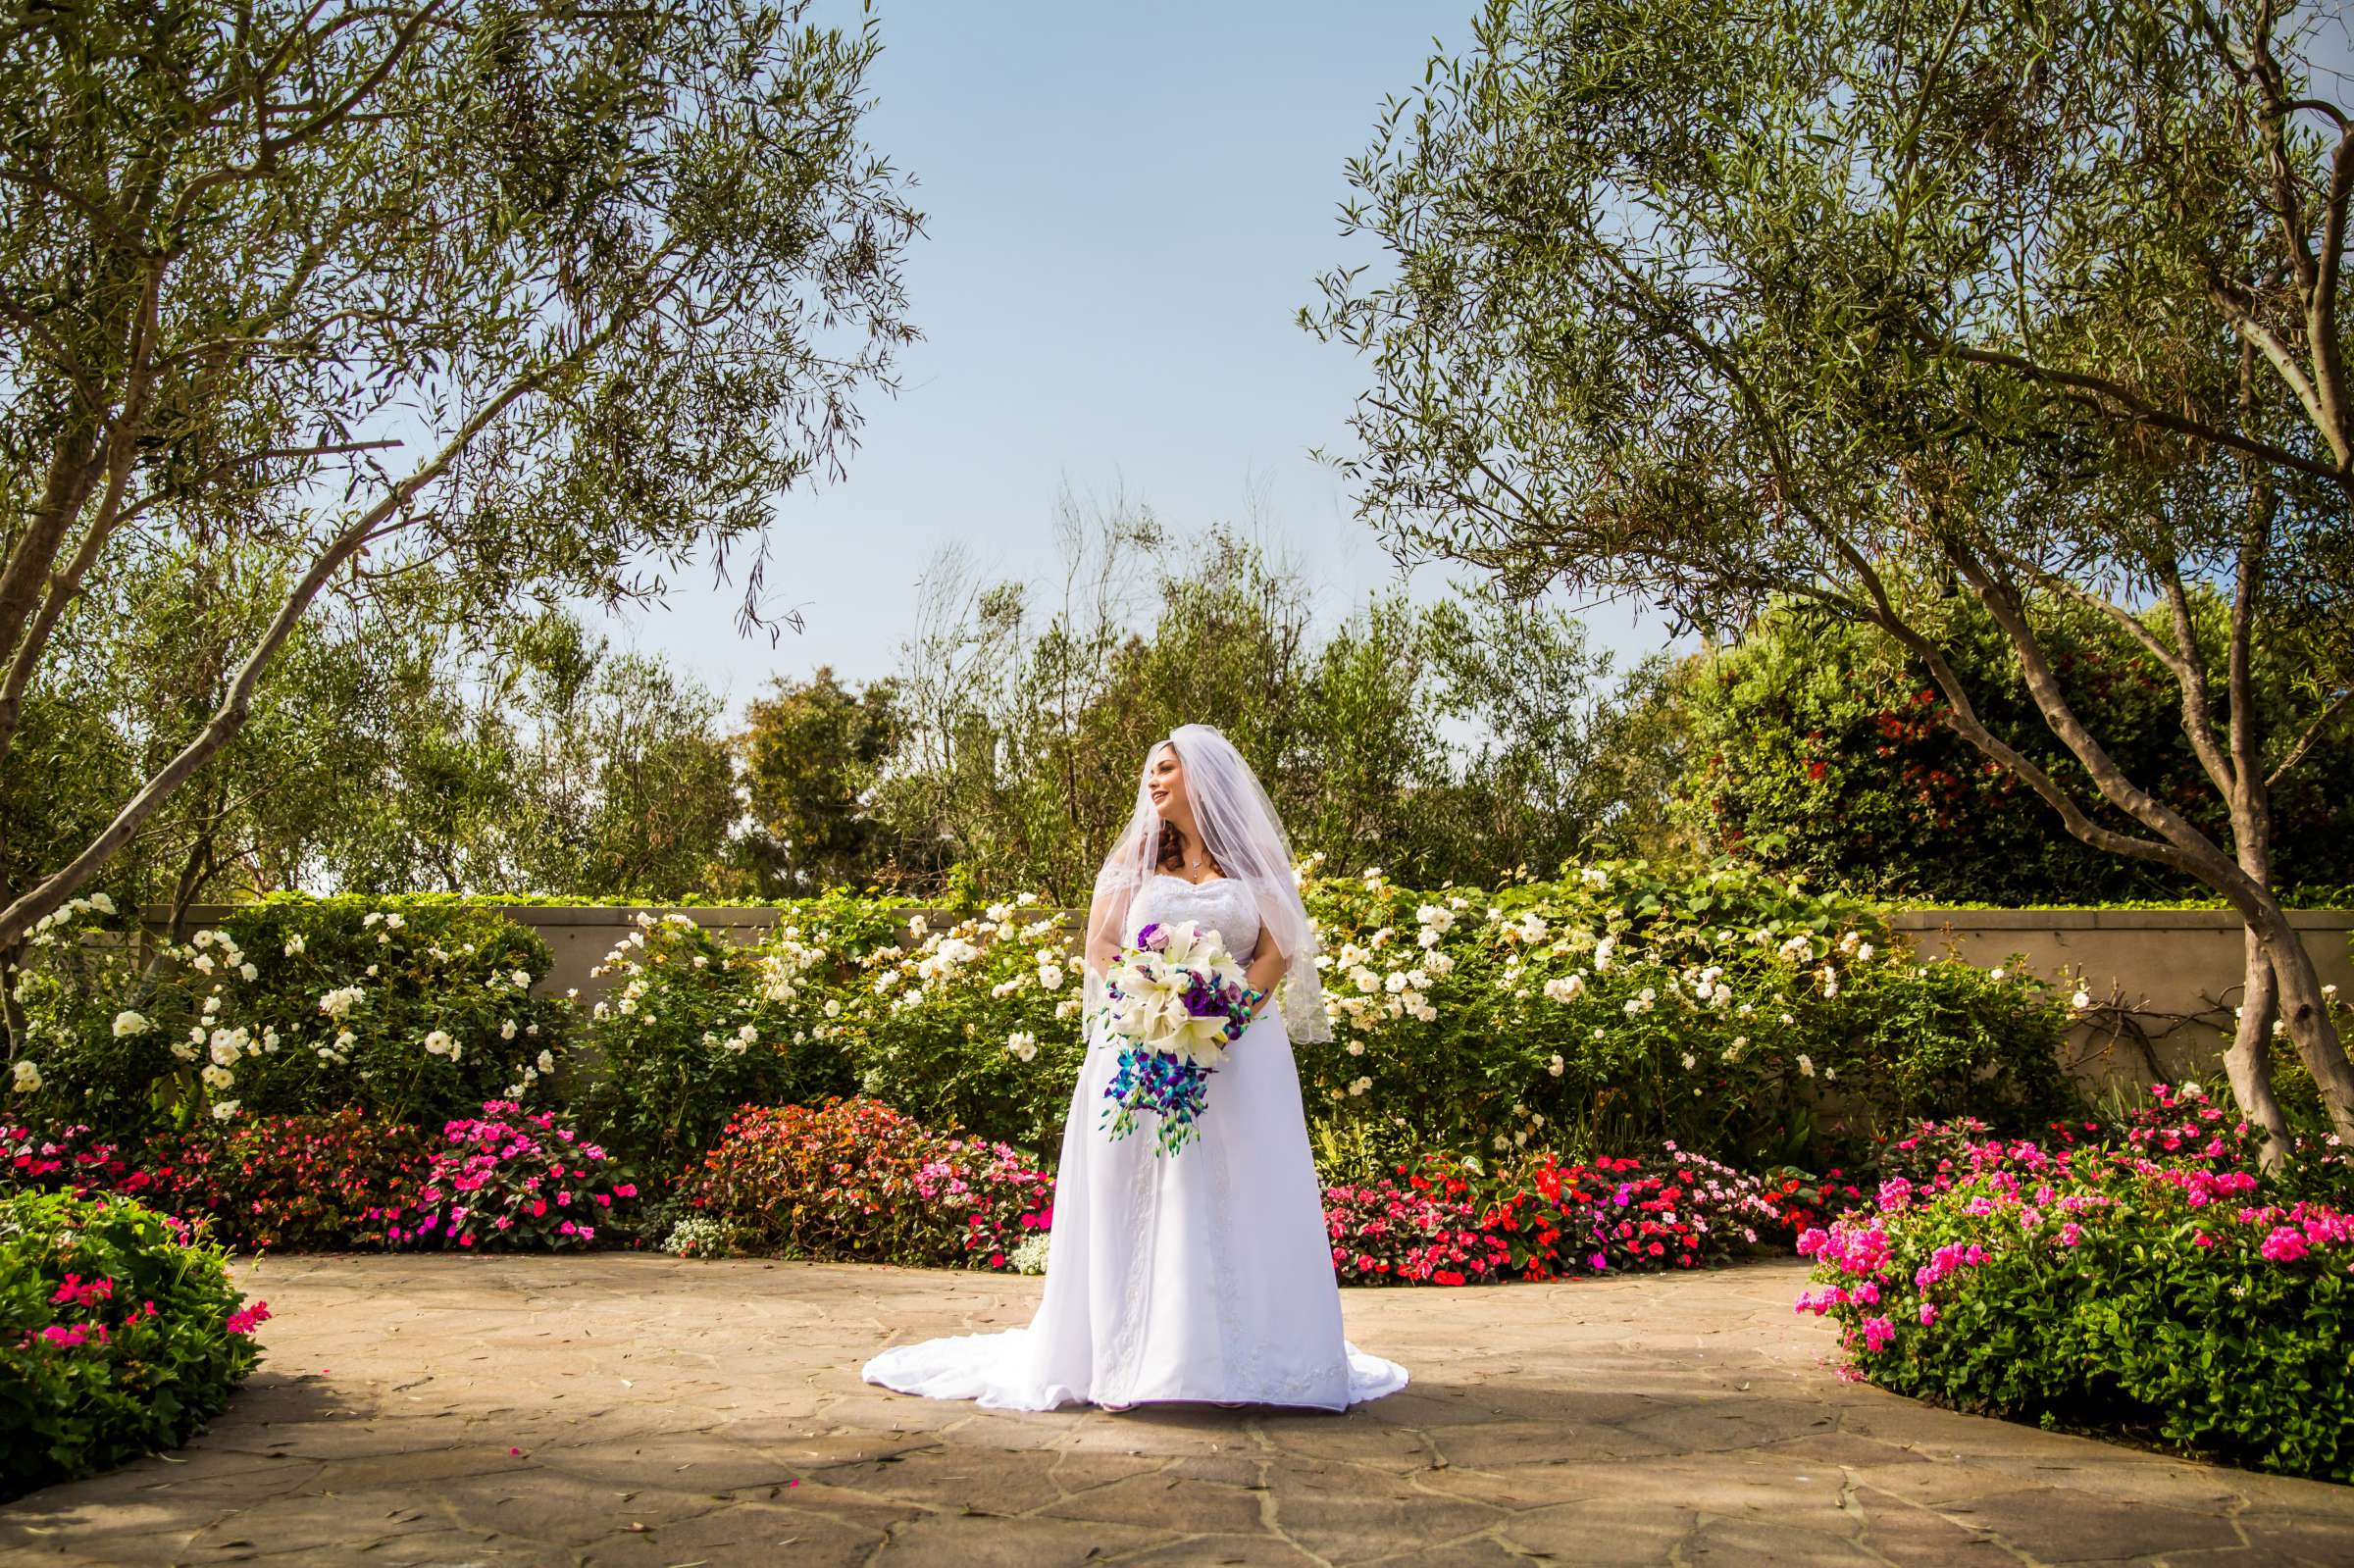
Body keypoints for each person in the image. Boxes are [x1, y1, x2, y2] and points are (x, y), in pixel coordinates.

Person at [860, 724, 1409, 1412]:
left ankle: (1254, 1359)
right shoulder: (1135, 860)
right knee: (1150, 1193)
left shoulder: (1253, 858)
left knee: (1241, 1194)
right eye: (1151, 772)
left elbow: (1276, 950)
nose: (1153, 783)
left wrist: (1228, 1007)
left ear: (1201, 778)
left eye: (1166, 770)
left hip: (1239, 1056)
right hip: (1142, 1044)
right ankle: (1139, 1356)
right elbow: (1099, 942)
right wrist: (1154, 995)